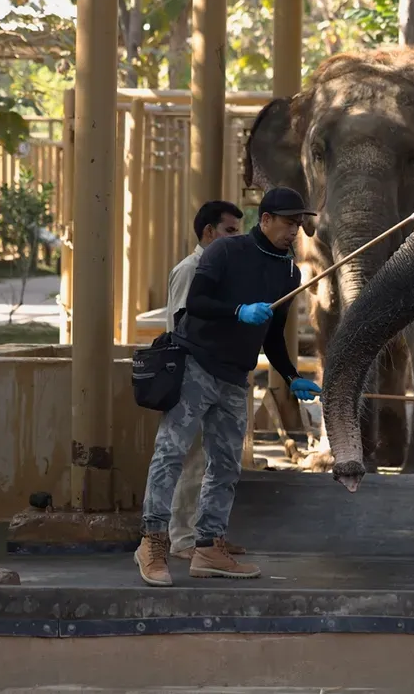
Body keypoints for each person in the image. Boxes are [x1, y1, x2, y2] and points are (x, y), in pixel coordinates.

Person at [134, 187, 322, 586]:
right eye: (288, 223)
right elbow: (197, 302)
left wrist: (292, 377)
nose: (294, 231)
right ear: (265, 219)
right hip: (196, 365)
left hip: (236, 377)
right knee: (170, 452)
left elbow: (272, 336)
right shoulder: (225, 252)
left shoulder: (289, 272)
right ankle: (152, 542)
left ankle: (208, 547)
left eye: (298, 224)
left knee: (224, 467)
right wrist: (237, 311)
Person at [165, 200, 244, 561]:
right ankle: (182, 539)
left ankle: (209, 538)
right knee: (191, 459)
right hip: (192, 375)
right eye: (229, 232)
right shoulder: (191, 269)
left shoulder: (218, 271)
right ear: (208, 232)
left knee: (217, 461)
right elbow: (185, 326)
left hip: (218, 376)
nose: (235, 240)